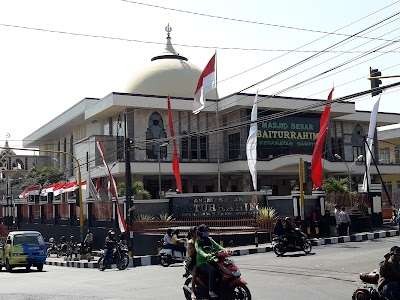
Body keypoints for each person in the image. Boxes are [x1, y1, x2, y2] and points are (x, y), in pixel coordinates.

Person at [195, 224, 225, 299]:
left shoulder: (210, 239)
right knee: (212, 271)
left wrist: (225, 250)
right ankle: (211, 291)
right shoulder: (198, 241)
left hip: (212, 260)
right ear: (201, 232)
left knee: (222, 270)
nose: (207, 232)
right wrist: (205, 255)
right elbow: (199, 250)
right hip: (202, 262)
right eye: (205, 231)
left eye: (207, 231)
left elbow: (218, 246)